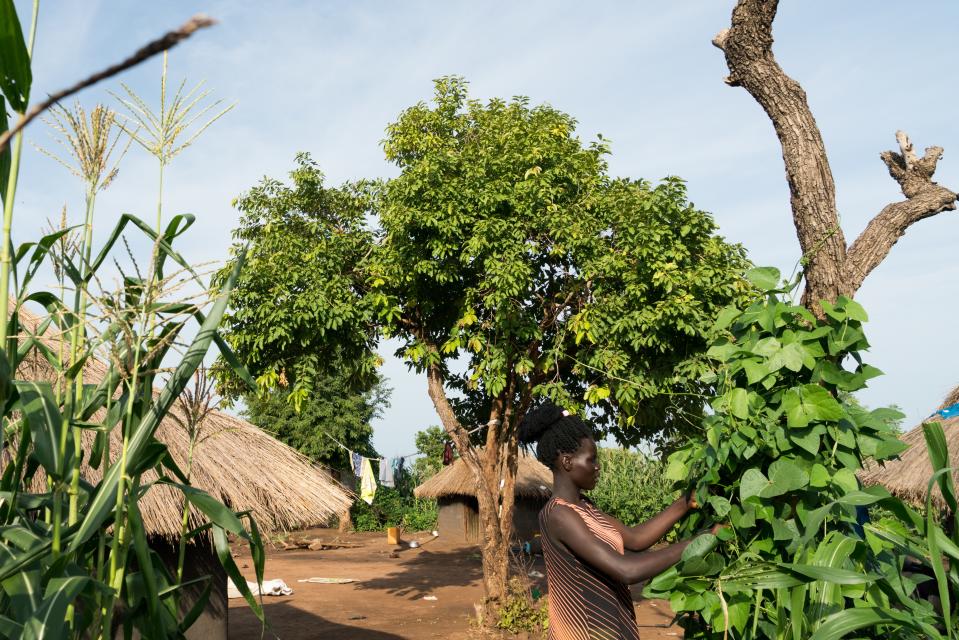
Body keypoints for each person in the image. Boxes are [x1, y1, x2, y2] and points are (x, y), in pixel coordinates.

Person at [518, 401, 716, 640]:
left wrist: (684, 503)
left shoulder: (585, 508)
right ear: (568, 462)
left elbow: (635, 539)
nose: (598, 466)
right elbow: (626, 570)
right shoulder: (559, 515)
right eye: (591, 460)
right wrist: (701, 540)